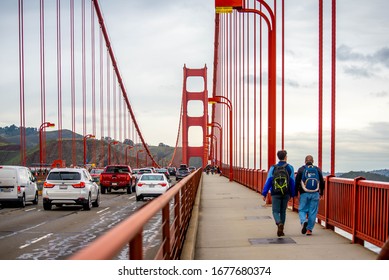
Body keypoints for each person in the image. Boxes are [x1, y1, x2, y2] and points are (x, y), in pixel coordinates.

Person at [261, 150, 296, 237]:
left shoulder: (273, 168)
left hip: (275, 193)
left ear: (278, 157)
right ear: (285, 157)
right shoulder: (290, 168)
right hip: (286, 193)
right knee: (283, 211)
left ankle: (278, 223)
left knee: (275, 211)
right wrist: (292, 194)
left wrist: (264, 193)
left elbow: (269, 181)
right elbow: (292, 182)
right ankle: (282, 229)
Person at [295, 155, 325, 236]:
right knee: (313, 212)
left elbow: (297, 182)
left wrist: (295, 193)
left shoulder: (301, 169)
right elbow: (322, 182)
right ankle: (309, 230)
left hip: (304, 193)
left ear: (305, 161)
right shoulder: (317, 169)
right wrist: (321, 193)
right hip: (315, 193)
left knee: (302, 210)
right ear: (313, 161)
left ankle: (304, 221)